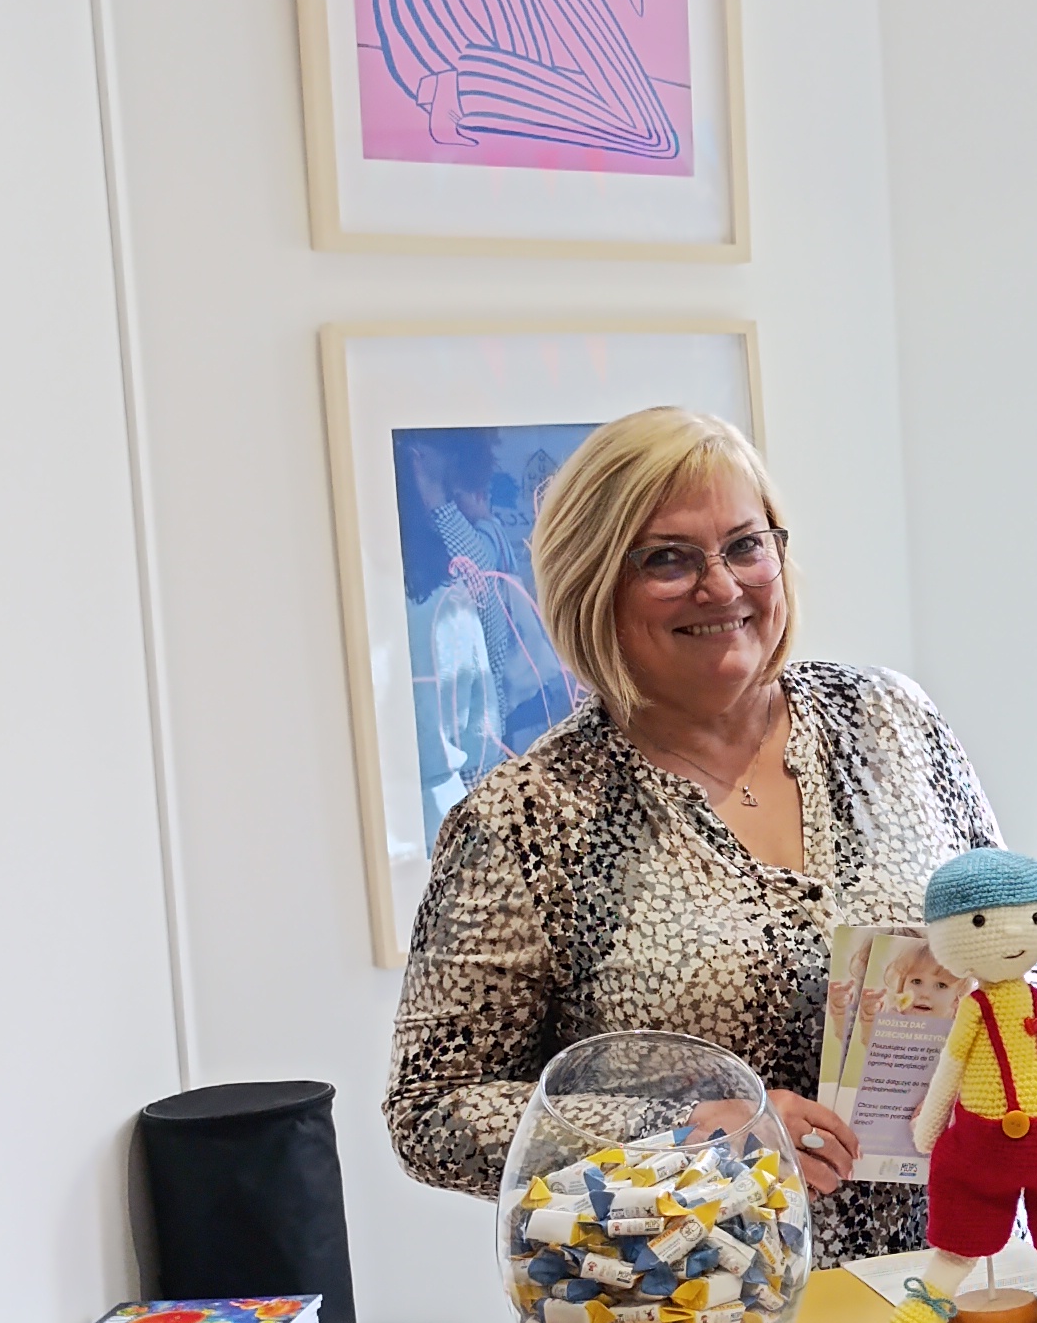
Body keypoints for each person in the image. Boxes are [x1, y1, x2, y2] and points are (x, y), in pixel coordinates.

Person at [385, 406, 999, 1267]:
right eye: (668, 560)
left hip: (953, 1275)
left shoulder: (889, 719)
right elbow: (431, 1111)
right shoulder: (527, 820)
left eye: (746, 546)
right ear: (593, 583)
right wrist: (680, 1128)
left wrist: (1006, 1038)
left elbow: (1009, 936)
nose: (721, 586)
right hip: (691, 1304)